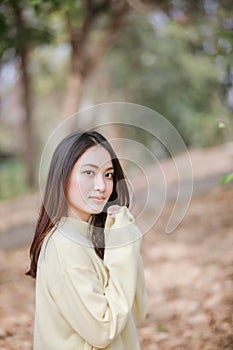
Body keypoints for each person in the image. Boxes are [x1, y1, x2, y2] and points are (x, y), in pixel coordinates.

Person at [26, 130, 147, 350]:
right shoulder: (65, 244)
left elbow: (135, 312)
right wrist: (123, 242)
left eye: (108, 174)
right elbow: (105, 329)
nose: (101, 186)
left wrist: (122, 241)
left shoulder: (89, 236)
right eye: (89, 172)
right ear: (63, 176)